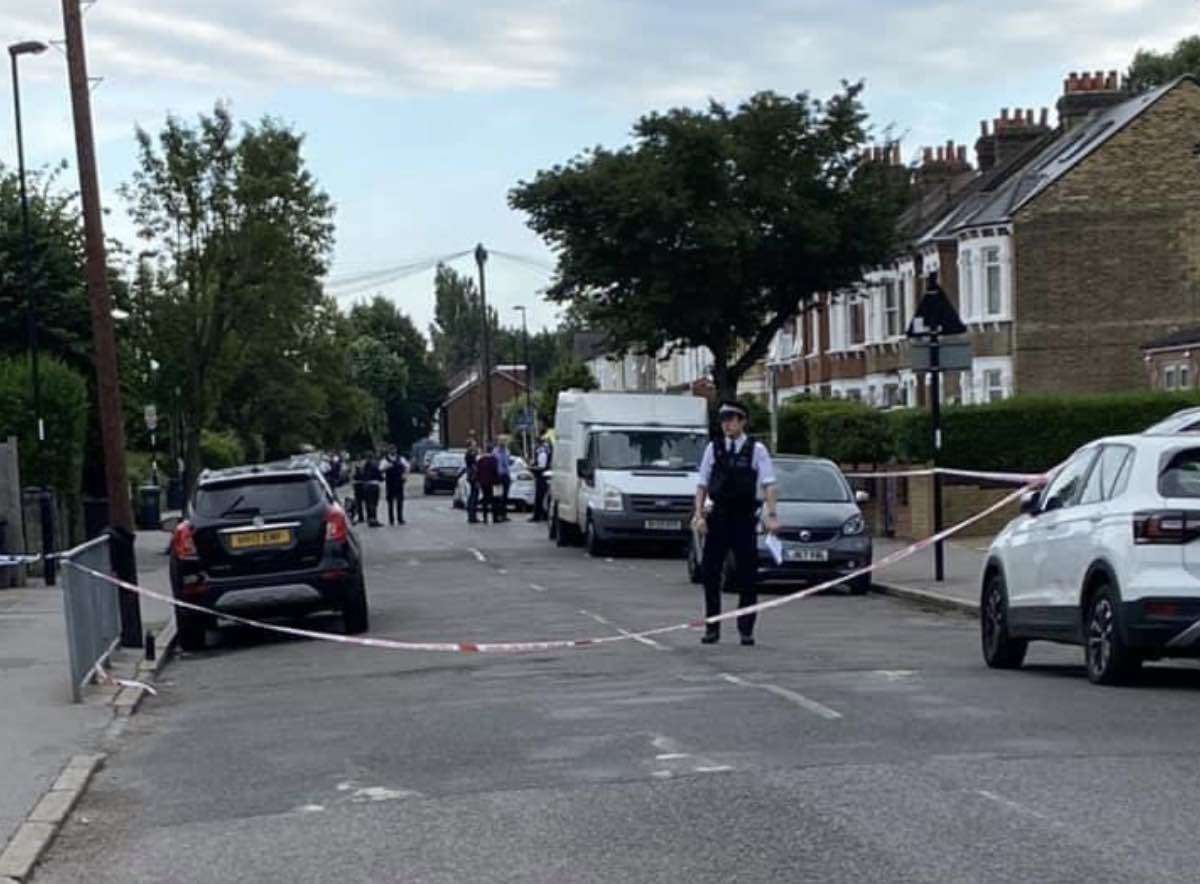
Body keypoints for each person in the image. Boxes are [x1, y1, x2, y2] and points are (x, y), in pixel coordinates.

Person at [692, 400, 778, 647]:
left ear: (742, 421)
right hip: (718, 516)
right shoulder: (714, 448)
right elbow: (702, 484)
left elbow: (769, 483)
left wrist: (772, 515)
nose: (727, 424)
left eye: (732, 419)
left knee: (747, 576)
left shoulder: (756, 449)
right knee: (710, 573)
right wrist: (698, 515)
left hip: (743, 517)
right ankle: (712, 627)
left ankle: (746, 629)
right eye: (723, 420)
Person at [381, 447, 409, 526]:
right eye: (391, 449)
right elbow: (380, 469)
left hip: (399, 482)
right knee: (390, 502)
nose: (393, 451)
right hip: (390, 482)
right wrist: (387, 467)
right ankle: (391, 519)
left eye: (394, 449)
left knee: (400, 501)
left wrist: (405, 475)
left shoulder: (401, 459)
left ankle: (400, 518)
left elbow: (407, 467)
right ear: (389, 451)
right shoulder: (385, 460)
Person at [530, 434, 551, 522]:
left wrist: (531, 468)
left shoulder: (542, 452)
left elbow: (541, 467)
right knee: (541, 497)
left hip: (542, 477)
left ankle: (538, 516)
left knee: (539, 497)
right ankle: (541, 515)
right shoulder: (544, 451)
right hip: (544, 477)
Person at [475, 442, 499, 524]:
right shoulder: (494, 460)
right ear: (492, 450)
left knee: (485, 499)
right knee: (494, 499)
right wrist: (497, 481)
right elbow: (496, 471)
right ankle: (495, 517)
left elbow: (478, 472)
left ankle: (485, 517)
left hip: (483, 482)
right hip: (492, 482)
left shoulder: (481, 460)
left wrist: (478, 481)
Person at [362, 454, 384, 527]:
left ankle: (369, 519)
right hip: (374, 485)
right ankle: (374, 520)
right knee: (373, 503)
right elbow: (380, 477)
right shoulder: (374, 466)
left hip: (366, 485)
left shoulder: (364, 467)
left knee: (368, 503)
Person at [493, 437, 512, 523]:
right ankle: (497, 515)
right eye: (501, 441)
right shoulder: (495, 452)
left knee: (505, 496)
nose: (503, 443)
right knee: (498, 496)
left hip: (506, 475)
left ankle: (504, 515)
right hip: (498, 476)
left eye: (504, 441)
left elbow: (507, 463)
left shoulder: (507, 451)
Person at [464, 440, 481, 524]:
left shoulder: (469, 453)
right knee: (474, 495)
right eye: (474, 445)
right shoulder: (470, 453)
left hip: (471, 476)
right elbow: (474, 465)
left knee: (473, 495)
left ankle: (472, 515)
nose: (475, 446)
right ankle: (472, 516)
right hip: (473, 476)